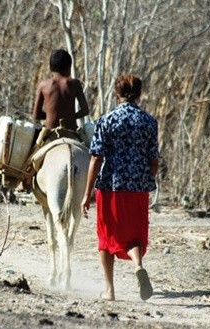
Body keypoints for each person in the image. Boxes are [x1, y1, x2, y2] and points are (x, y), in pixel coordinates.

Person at [80, 75, 159, 301]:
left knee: (107, 237)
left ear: (117, 94)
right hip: (137, 188)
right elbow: (154, 159)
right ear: (139, 94)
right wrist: (146, 178)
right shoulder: (149, 121)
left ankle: (110, 290)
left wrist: (87, 194)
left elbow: (96, 158)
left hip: (110, 186)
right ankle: (137, 265)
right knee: (134, 235)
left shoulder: (107, 120)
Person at [32, 49, 90, 131]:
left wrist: (50, 115)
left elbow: (36, 115)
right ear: (69, 67)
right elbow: (85, 111)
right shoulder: (75, 84)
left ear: (50, 67)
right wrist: (71, 116)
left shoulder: (43, 85)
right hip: (71, 129)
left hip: (49, 130)